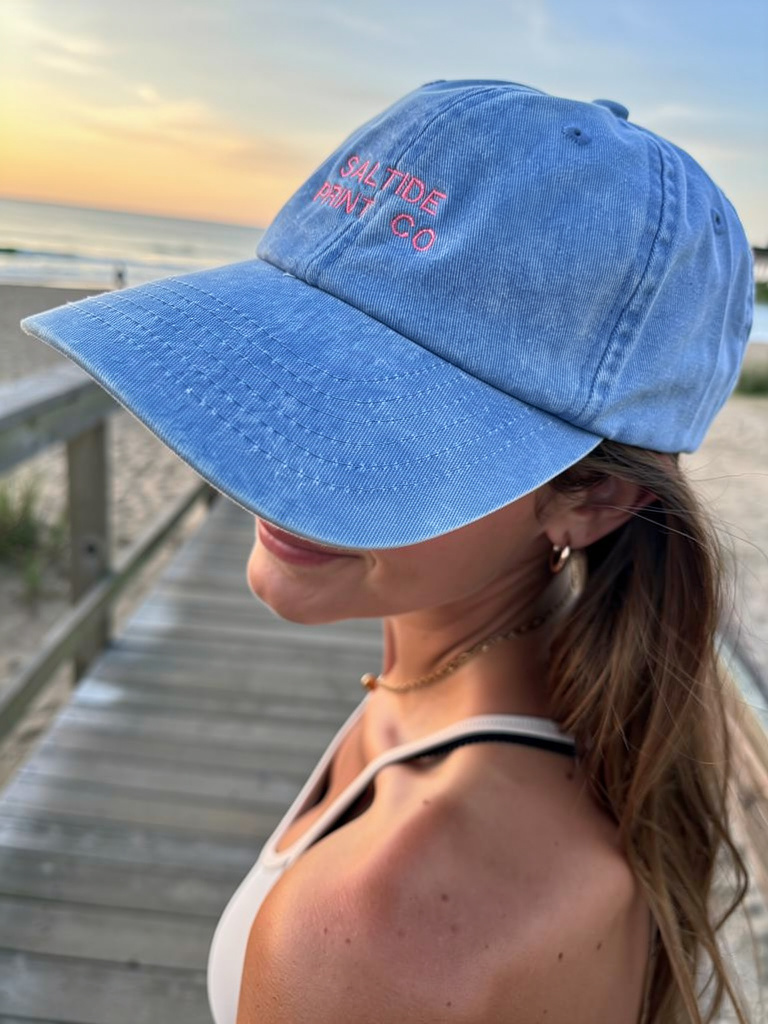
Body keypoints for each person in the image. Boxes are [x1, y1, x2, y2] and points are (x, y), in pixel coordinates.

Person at [22, 80, 755, 1023]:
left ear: (593, 498)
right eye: (286, 367)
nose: (276, 469)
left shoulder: (381, 928)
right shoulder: (537, 717)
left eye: (383, 428)